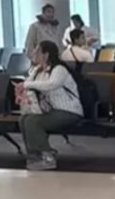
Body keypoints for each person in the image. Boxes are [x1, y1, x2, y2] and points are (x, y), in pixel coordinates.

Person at [14, 41, 83, 171]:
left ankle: (47, 156)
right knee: (24, 119)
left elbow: (51, 84)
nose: (33, 54)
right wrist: (22, 91)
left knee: (33, 122)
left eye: (37, 51)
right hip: (50, 111)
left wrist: (26, 85)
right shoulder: (37, 70)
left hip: (68, 111)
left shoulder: (59, 69)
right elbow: (28, 84)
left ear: (45, 55)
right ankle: (35, 155)